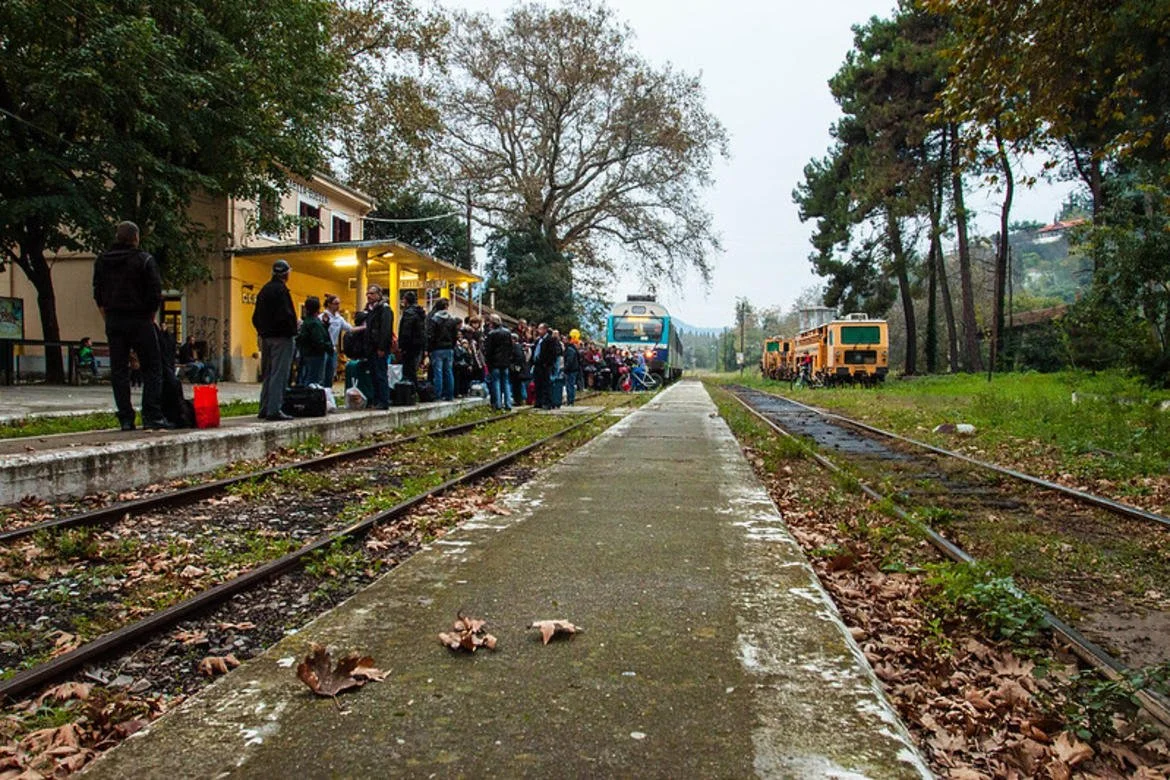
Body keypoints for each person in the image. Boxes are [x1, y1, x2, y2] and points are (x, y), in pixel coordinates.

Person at [92, 220, 170, 430]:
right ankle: (151, 415)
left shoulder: (102, 261)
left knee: (119, 370)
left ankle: (126, 418)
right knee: (153, 367)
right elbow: (155, 294)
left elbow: (98, 294)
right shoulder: (144, 260)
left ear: (117, 237)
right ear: (136, 238)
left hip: (114, 320)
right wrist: (149, 317)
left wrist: (107, 319)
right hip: (141, 320)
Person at [253, 259, 297, 421]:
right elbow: (286, 315)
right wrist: (293, 328)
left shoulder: (264, 290)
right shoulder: (281, 291)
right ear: (286, 274)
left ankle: (264, 407)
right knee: (280, 373)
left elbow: (255, 317)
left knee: (268, 373)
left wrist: (262, 332)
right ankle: (274, 409)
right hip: (282, 337)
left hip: (266, 337)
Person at [362, 285, 394, 410]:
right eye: (367, 294)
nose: (369, 296)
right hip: (371, 347)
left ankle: (383, 400)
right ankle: (376, 399)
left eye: (372, 293)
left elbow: (386, 330)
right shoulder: (371, 310)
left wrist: (382, 347)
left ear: (379, 294)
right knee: (374, 374)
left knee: (381, 374)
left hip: (379, 348)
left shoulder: (384, 310)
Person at [425, 297, 458, 401]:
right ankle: (449, 395)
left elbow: (430, 335)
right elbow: (455, 336)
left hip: (437, 349)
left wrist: (429, 348)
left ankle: (438, 395)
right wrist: (452, 346)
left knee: (438, 373)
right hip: (449, 349)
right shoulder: (452, 320)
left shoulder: (434, 320)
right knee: (449, 371)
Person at [295, 296, 331, 386]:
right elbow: (318, 340)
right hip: (315, 354)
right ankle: (311, 397)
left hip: (306, 353)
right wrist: (328, 347)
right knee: (314, 379)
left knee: (306, 376)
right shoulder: (315, 323)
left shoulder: (307, 321)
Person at [321, 294, 352, 388]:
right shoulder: (323, 316)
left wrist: (364, 327)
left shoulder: (339, 318)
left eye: (339, 303)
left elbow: (349, 328)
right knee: (322, 373)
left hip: (333, 348)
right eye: (335, 303)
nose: (338, 306)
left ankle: (328, 392)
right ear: (329, 304)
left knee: (331, 372)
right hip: (324, 348)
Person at [484, 314, 513, 411]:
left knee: (496, 382)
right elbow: (510, 348)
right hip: (505, 362)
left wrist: (488, 361)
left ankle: (498, 404)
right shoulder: (507, 332)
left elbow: (489, 350)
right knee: (506, 383)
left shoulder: (491, 334)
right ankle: (508, 403)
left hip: (495, 362)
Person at [397, 289, 427, 386]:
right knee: (414, 368)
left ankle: (410, 390)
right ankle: (414, 390)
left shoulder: (409, 313)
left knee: (408, 369)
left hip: (409, 345)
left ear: (406, 300)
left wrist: (402, 345)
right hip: (418, 344)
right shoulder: (420, 313)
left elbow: (406, 331)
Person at [562, 333, 581, 406]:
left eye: (565, 339)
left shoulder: (570, 349)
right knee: (570, 385)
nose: (563, 341)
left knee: (570, 385)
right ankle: (570, 400)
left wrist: (565, 368)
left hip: (571, 370)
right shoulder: (572, 348)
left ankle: (570, 401)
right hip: (573, 369)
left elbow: (570, 361)